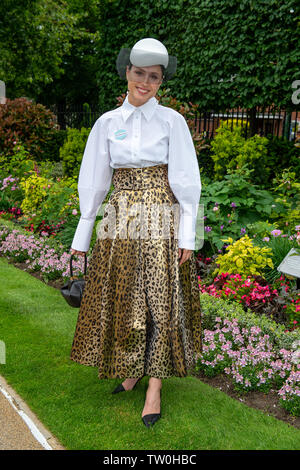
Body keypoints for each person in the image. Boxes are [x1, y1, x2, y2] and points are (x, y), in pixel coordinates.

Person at [69, 38, 202, 428]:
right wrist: (82, 235)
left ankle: (155, 386)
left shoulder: (172, 121)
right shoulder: (107, 123)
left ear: (162, 81)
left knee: (160, 300)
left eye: (154, 77)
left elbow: (187, 182)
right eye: (139, 73)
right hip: (119, 220)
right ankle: (130, 369)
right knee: (125, 296)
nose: (145, 82)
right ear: (127, 71)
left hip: (163, 217)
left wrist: (187, 236)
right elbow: (93, 180)